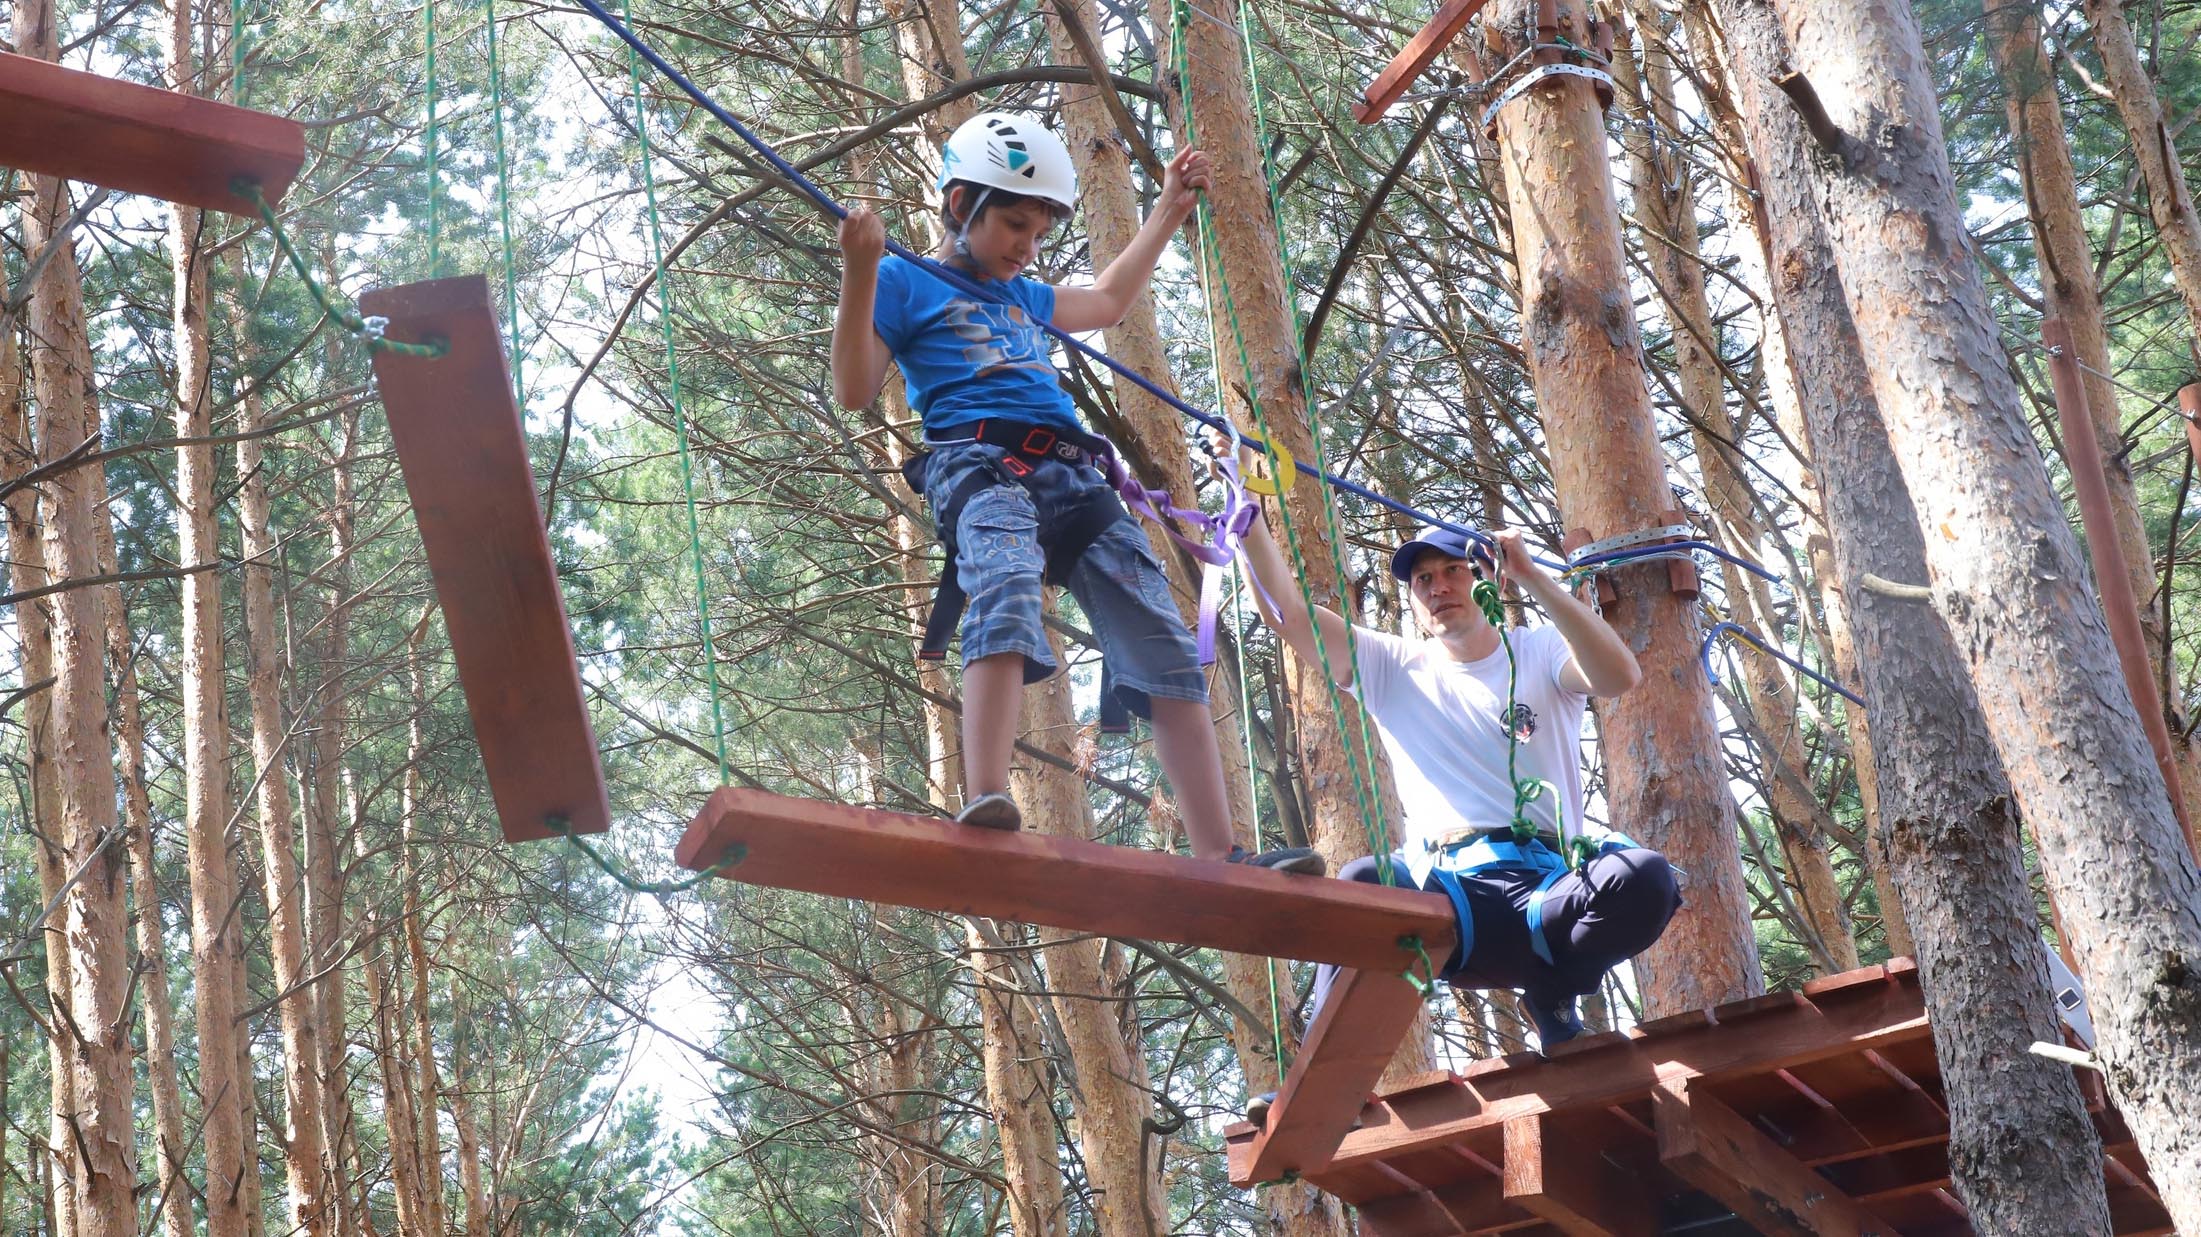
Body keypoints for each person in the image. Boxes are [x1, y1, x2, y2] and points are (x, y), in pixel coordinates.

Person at [830, 111, 1318, 876]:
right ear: (960, 206)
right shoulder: (902, 278)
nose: (1025, 246)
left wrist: (1166, 210)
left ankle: (1220, 851)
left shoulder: (1024, 294)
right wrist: (860, 271)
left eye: (1037, 232)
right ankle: (985, 796)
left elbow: (1109, 300)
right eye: (1013, 225)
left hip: (1071, 474)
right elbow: (855, 387)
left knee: (1158, 629)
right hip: (978, 462)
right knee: (1003, 577)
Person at [1236, 480, 1681, 1072]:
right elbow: (1283, 612)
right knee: (1363, 878)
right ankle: (1325, 1071)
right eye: (1424, 579)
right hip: (1451, 907)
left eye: (1454, 571)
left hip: (1547, 904)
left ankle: (1554, 994)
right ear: (1414, 598)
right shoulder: (1391, 666)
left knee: (1646, 877)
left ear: (1489, 581)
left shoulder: (1540, 651)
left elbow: (1620, 675)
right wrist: (1244, 509)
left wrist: (1535, 579)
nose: (1439, 587)